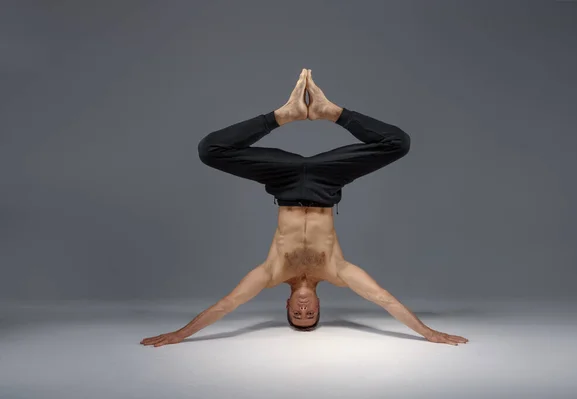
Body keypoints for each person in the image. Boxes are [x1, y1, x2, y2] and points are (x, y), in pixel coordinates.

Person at [141, 69, 468, 347]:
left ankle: (282, 116)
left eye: (296, 315)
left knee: (210, 150)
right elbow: (384, 298)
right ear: (318, 305)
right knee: (399, 143)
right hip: (325, 185)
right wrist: (428, 332)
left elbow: (228, 303)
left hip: (285, 184)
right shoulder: (338, 272)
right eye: (309, 315)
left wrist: (180, 334)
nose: (302, 311)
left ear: (286, 305)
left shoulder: (271, 273)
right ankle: (332, 112)